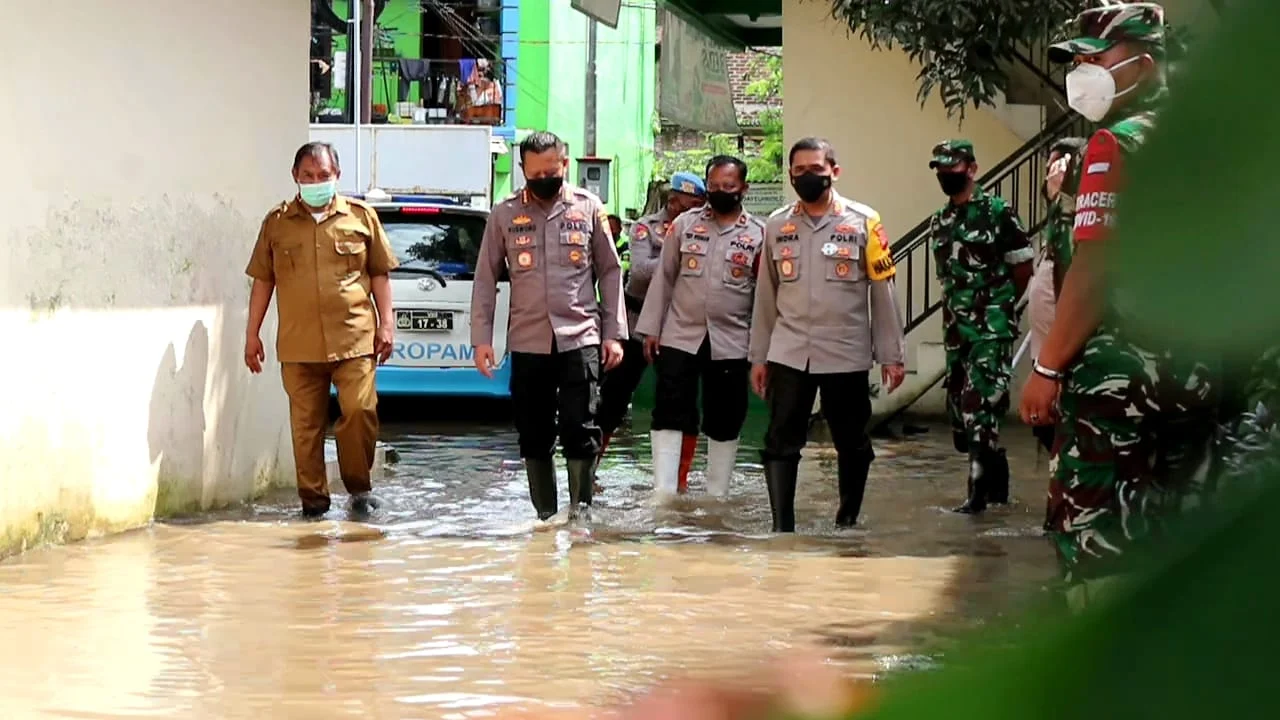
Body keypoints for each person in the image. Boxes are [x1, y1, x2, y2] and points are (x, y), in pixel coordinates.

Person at [1019, 2, 1219, 589]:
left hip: (1119, 386)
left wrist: (1047, 367)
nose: (1082, 71)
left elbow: (1095, 267)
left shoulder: (1119, 142)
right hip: (1202, 378)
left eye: (1096, 58)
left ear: (1147, 64)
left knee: (1097, 547)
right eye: (1077, 60)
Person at [749, 137, 907, 532]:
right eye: (799, 171)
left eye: (815, 170)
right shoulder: (776, 225)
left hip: (845, 353)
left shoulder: (864, 221)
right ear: (790, 174)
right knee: (780, 441)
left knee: (852, 442)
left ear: (834, 172)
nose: (807, 177)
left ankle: (847, 520)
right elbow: (766, 295)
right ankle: (782, 527)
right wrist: (758, 356)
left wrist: (892, 354)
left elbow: (882, 291)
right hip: (789, 352)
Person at [470, 131, 627, 521]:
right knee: (534, 433)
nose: (543, 178)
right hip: (528, 341)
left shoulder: (589, 208)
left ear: (565, 164)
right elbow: (486, 278)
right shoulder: (504, 215)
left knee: (581, 425)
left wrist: (614, 334)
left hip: (581, 336)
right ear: (523, 169)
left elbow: (609, 271)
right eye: (535, 172)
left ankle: (581, 514)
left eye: (551, 170)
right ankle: (545, 518)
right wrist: (481, 340)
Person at [243, 141, 398, 518]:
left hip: (355, 339)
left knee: (360, 411)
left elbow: (379, 273)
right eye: (308, 176)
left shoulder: (361, 218)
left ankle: (359, 489)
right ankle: (313, 505)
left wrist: (387, 323)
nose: (316, 182)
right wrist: (252, 334)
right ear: (295, 177)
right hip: (299, 345)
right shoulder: (276, 224)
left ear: (337, 176)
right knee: (305, 428)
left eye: (323, 176)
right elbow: (263, 281)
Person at [636, 156, 764, 497]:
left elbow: (765, 296)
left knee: (726, 415)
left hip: (733, 339)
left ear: (743, 189)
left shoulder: (758, 234)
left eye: (729, 186)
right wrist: (651, 328)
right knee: (669, 408)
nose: (720, 192)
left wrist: (762, 349)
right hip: (680, 333)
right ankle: (664, 492)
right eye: (714, 186)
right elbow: (663, 277)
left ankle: (717, 495)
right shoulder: (685, 225)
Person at [928, 139, 1035, 512]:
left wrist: (1001, 307)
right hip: (956, 330)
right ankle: (998, 475)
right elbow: (947, 277)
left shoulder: (997, 211)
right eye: (940, 169)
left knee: (978, 405)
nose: (946, 175)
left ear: (971, 168)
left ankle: (976, 497)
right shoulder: (940, 221)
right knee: (960, 414)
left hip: (991, 326)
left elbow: (1023, 267)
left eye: (952, 167)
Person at [595, 173, 707, 492]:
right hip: (635, 322)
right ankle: (589, 467)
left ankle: (677, 480)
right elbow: (642, 272)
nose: (695, 210)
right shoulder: (647, 227)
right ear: (673, 201)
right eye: (690, 204)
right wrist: (687, 260)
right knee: (613, 397)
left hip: (677, 326)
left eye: (699, 205)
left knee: (678, 402)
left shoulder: (705, 231)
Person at [1028, 137, 1086, 453]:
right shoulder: (1057, 212)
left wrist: (1063, 197)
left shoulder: (1075, 209)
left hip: (1065, 360)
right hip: (1048, 356)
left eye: (1056, 163)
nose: (1049, 172)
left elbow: (1071, 261)